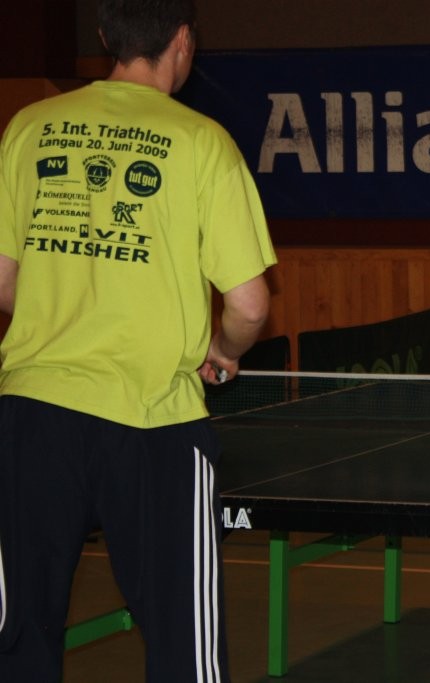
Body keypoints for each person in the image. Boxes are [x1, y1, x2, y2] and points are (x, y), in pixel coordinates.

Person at [0, 1, 276, 680]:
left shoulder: (29, 127)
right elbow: (248, 305)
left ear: (104, 37)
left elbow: (4, 284)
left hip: (32, 417)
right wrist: (225, 350)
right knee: (185, 647)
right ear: (183, 40)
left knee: (21, 636)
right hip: (154, 424)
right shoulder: (202, 141)